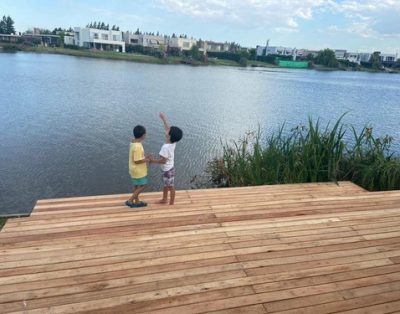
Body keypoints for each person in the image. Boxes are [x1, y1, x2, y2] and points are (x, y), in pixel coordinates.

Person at [150, 113, 183, 205]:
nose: (167, 130)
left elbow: (163, 161)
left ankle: (171, 203)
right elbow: (168, 128)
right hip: (169, 168)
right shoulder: (173, 142)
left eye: (169, 131)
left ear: (169, 136)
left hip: (167, 171)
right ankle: (164, 199)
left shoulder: (165, 147)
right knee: (166, 185)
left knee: (170, 187)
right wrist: (163, 119)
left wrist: (152, 160)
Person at [125, 125, 151, 208]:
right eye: (145, 134)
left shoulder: (133, 143)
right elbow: (136, 160)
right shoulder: (138, 146)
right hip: (138, 170)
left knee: (136, 186)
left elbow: (137, 157)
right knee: (144, 185)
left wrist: (145, 157)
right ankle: (130, 200)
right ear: (143, 135)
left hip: (133, 169)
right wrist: (147, 160)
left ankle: (137, 202)